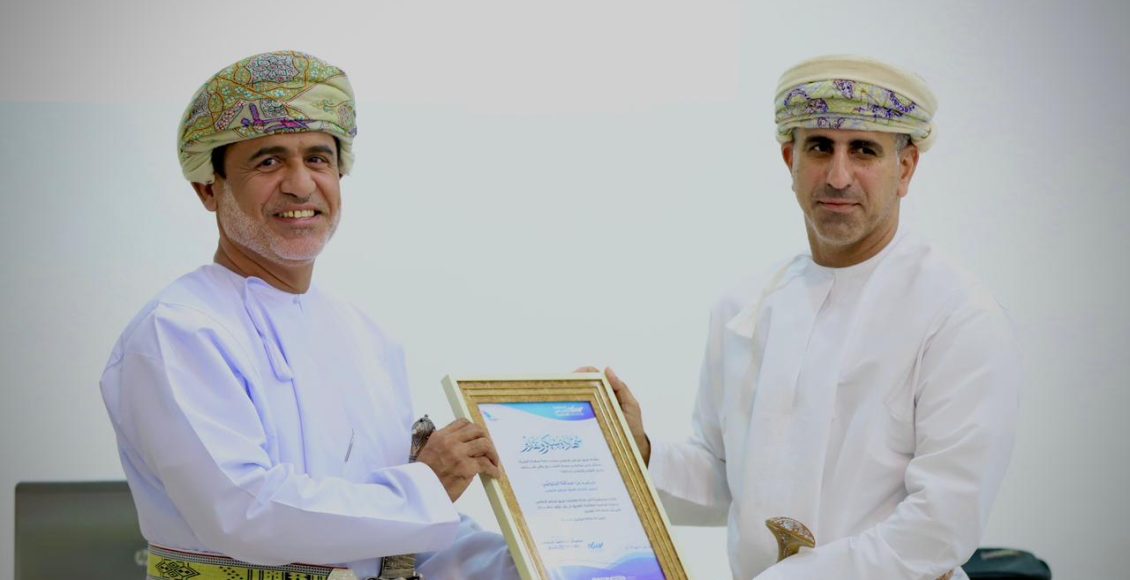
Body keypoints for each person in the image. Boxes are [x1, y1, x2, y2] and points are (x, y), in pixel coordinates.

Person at [596, 55, 1020, 579]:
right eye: (820, 147)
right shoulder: (744, 308)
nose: (838, 176)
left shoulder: (957, 317)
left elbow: (938, 529)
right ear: (789, 159)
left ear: (906, 168)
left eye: (863, 150)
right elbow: (725, 482)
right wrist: (638, 450)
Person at [100, 50, 517, 579]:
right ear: (210, 188)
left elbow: (404, 543)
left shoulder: (367, 337)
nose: (300, 185)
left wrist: (545, 557)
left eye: (318, 159)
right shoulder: (180, 330)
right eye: (268, 161)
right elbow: (246, 512)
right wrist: (426, 487)